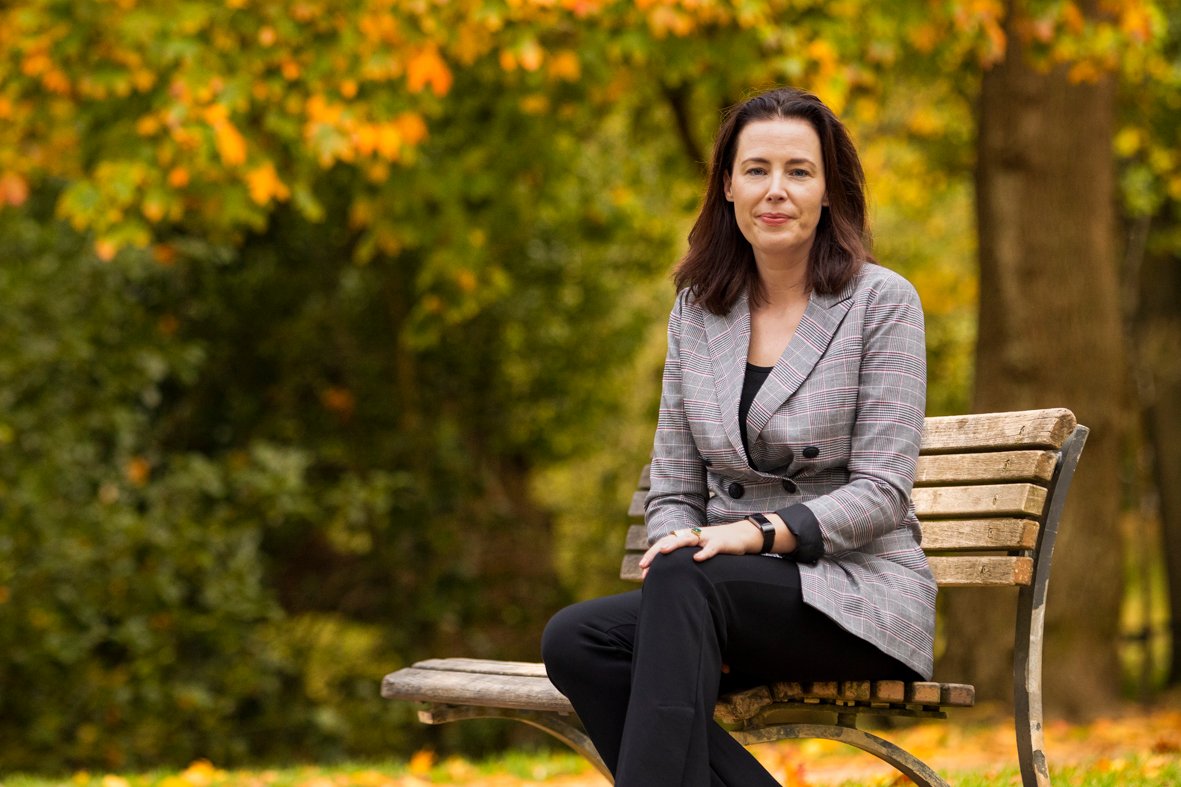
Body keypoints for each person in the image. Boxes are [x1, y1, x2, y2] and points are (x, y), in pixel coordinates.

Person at [541, 87, 935, 787]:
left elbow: (880, 493)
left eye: (798, 171)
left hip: (854, 595)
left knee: (688, 582)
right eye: (755, 170)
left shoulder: (881, 302)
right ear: (727, 186)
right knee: (575, 639)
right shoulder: (698, 311)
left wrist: (751, 533)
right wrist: (676, 539)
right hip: (717, 594)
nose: (774, 191)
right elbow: (672, 485)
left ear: (828, 189)